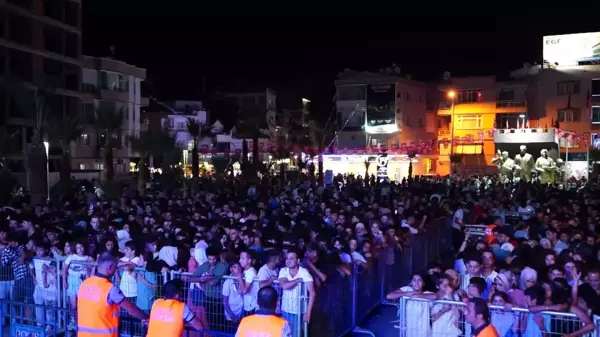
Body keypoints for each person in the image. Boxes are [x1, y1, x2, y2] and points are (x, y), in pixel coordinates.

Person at [77, 252, 148, 337]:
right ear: (110, 267)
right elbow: (131, 309)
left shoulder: (84, 284)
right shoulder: (110, 288)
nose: (116, 270)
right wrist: (148, 318)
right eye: (115, 267)